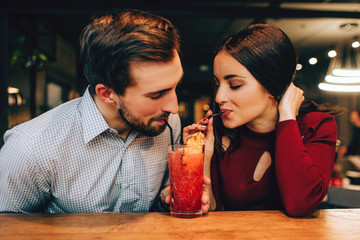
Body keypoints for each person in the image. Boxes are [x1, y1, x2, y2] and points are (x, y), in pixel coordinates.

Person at [0, 9, 210, 214]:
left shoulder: (165, 123)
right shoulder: (30, 148)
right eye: (156, 95)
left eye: (175, 86)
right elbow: (7, 230)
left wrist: (167, 202)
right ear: (107, 94)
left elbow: (155, 208)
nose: (174, 108)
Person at [185, 24, 342, 217]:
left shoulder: (316, 125)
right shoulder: (219, 131)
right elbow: (212, 210)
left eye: (235, 85)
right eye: (218, 84)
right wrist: (203, 160)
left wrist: (286, 117)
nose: (219, 97)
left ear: (272, 84)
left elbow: (300, 203)